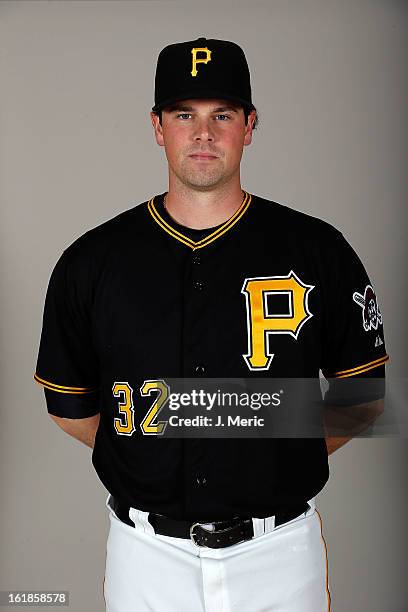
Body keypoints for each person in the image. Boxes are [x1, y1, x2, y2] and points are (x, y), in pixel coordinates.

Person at [34, 37, 389, 611]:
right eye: (184, 115)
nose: (203, 134)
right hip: (145, 555)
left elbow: (362, 393)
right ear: (158, 127)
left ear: (249, 126)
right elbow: (71, 407)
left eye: (222, 114)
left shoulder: (318, 248)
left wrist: (276, 451)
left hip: (280, 553)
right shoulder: (93, 260)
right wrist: (146, 454)